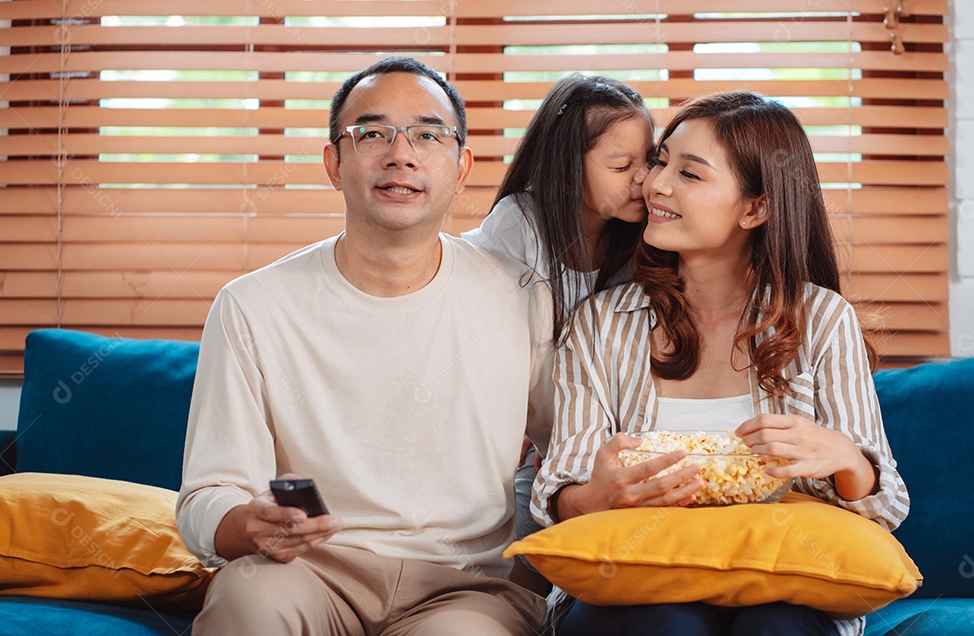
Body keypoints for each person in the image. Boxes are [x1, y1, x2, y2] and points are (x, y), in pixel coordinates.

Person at [176, 56, 555, 636]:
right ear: (334, 163)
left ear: (461, 166)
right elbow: (209, 491)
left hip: (465, 584)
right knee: (246, 608)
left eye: (428, 135)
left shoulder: (522, 295)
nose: (400, 153)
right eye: (372, 133)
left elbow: (572, 455)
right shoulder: (252, 305)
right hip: (306, 569)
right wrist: (244, 522)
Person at [533, 91, 910, 636]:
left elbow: (887, 506)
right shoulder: (601, 324)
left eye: (690, 174)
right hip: (634, 581)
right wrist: (595, 496)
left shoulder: (822, 320)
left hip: (780, 583)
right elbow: (559, 485)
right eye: (662, 161)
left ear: (755, 208)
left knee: (776, 628)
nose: (655, 184)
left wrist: (847, 459)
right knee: (671, 626)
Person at [461, 73, 654, 591]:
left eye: (647, 161)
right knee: (519, 580)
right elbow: (504, 354)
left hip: (600, 446)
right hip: (532, 447)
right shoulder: (518, 224)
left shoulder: (646, 242)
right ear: (567, 173)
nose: (643, 179)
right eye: (621, 166)